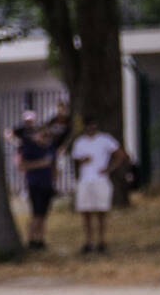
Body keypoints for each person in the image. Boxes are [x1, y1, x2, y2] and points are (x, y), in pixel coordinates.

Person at [10, 102, 70, 250]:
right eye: (42, 133)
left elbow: (54, 165)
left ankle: (40, 240)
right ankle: (31, 240)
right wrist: (41, 164)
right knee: (35, 214)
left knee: (43, 214)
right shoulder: (29, 147)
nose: (45, 136)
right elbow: (22, 166)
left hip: (47, 184)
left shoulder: (50, 147)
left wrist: (54, 180)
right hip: (34, 183)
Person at [68, 114, 127, 254]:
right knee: (85, 212)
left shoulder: (105, 139)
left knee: (101, 211)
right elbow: (76, 160)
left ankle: (102, 241)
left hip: (101, 179)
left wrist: (109, 168)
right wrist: (83, 160)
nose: (91, 128)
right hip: (85, 180)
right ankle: (88, 241)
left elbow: (120, 154)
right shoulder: (80, 142)